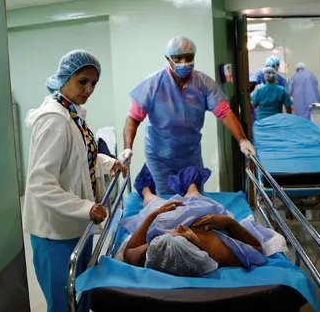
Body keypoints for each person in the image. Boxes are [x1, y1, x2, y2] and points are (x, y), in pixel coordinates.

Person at [22, 50, 128, 312]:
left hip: (77, 226)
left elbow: (79, 155)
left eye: (94, 83)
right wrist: (86, 208)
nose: (89, 89)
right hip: (55, 233)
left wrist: (106, 161)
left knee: (80, 299)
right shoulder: (54, 121)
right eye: (83, 81)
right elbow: (41, 182)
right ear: (65, 78)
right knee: (63, 305)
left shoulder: (73, 114)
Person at [122, 36, 256, 194]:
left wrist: (242, 139)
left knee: (195, 198)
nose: (184, 63)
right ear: (168, 59)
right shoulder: (153, 84)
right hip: (160, 155)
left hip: (190, 154)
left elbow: (224, 112)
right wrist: (127, 148)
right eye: (178, 58)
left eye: (189, 57)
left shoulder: (203, 83)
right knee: (167, 200)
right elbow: (133, 118)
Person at [120, 166, 286, 276]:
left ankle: (145, 188)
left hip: (164, 219)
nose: (179, 228)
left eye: (173, 234)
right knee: (195, 196)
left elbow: (130, 251)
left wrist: (154, 215)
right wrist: (228, 222)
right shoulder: (217, 252)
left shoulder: (157, 252)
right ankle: (191, 182)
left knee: (152, 201)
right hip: (203, 216)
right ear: (197, 246)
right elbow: (256, 249)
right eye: (183, 235)